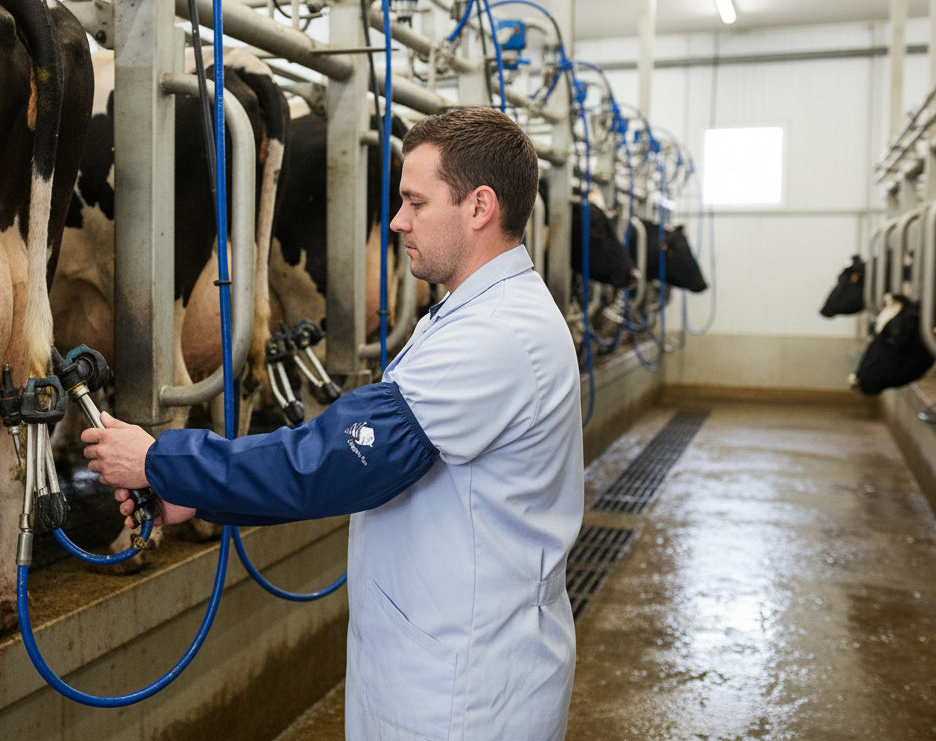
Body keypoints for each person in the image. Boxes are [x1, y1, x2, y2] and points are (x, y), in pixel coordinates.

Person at [82, 105, 583, 740]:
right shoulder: (466, 314)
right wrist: (191, 493)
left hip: (466, 691)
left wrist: (162, 460)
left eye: (414, 202)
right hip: (440, 660)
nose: (396, 221)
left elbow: (340, 459)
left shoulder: (498, 335)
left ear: (479, 207)